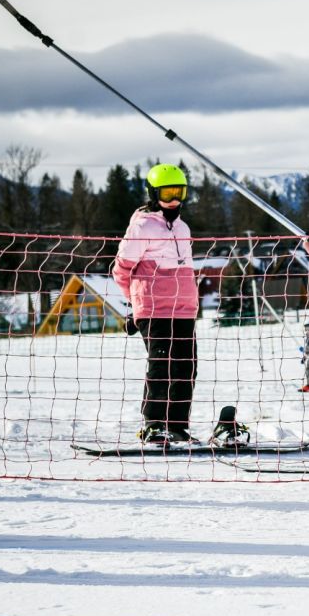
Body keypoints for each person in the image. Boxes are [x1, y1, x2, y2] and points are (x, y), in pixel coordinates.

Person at [113, 164, 199, 444]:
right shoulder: (142, 226)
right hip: (154, 309)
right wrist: (135, 304)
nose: (173, 200)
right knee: (161, 365)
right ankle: (154, 423)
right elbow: (121, 270)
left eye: (178, 192)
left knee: (186, 367)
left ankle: (177, 425)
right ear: (153, 194)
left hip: (183, 309)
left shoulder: (183, 228)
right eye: (166, 193)